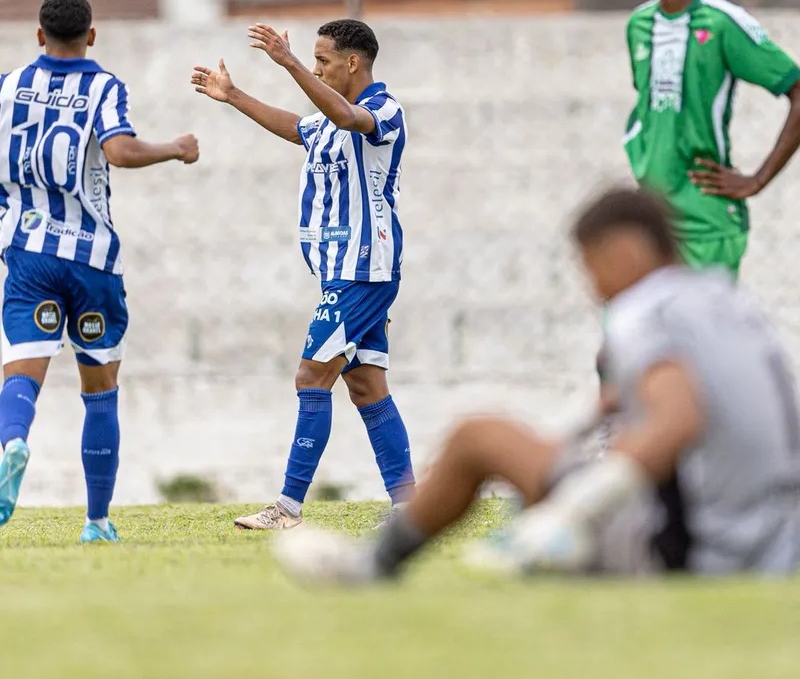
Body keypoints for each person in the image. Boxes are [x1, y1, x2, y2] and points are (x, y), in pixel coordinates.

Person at [272, 186, 800, 583]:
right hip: (777, 545)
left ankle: (371, 565)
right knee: (544, 457)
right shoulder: (726, 301)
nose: (593, 287)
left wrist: (576, 510)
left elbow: (677, 418)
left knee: (477, 437)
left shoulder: (643, 310)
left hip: (696, 549)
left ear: (622, 253)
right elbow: (624, 401)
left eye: (590, 267)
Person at [192, 19, 414, 530]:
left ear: (352, 63)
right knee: (367, 386)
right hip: (340, 272)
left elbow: (345, 117)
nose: (315, 69)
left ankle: (287, 508)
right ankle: (409, 508)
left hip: (362, 270)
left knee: (311, 376)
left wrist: (288, 62)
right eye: (312, 60)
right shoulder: (328, 120)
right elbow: (297, 127)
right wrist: (233, 96)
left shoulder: (383, 110)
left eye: (322, 60)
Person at [0, 0, 199, 539]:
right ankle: (96, 521)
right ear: (91, 35)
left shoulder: (8, 87)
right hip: (91, 261)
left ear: (39, 35)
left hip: (29, 256)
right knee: (100, 388)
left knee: (21, 372)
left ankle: (13, 442)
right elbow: (120, 151)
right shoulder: (103, 86)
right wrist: (176, 147)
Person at [625, 0, 800, 277]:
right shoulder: (638, 25)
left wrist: (758, 178)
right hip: (652, 222)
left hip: (705, 222)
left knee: (699, 316)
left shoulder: (722, 23)